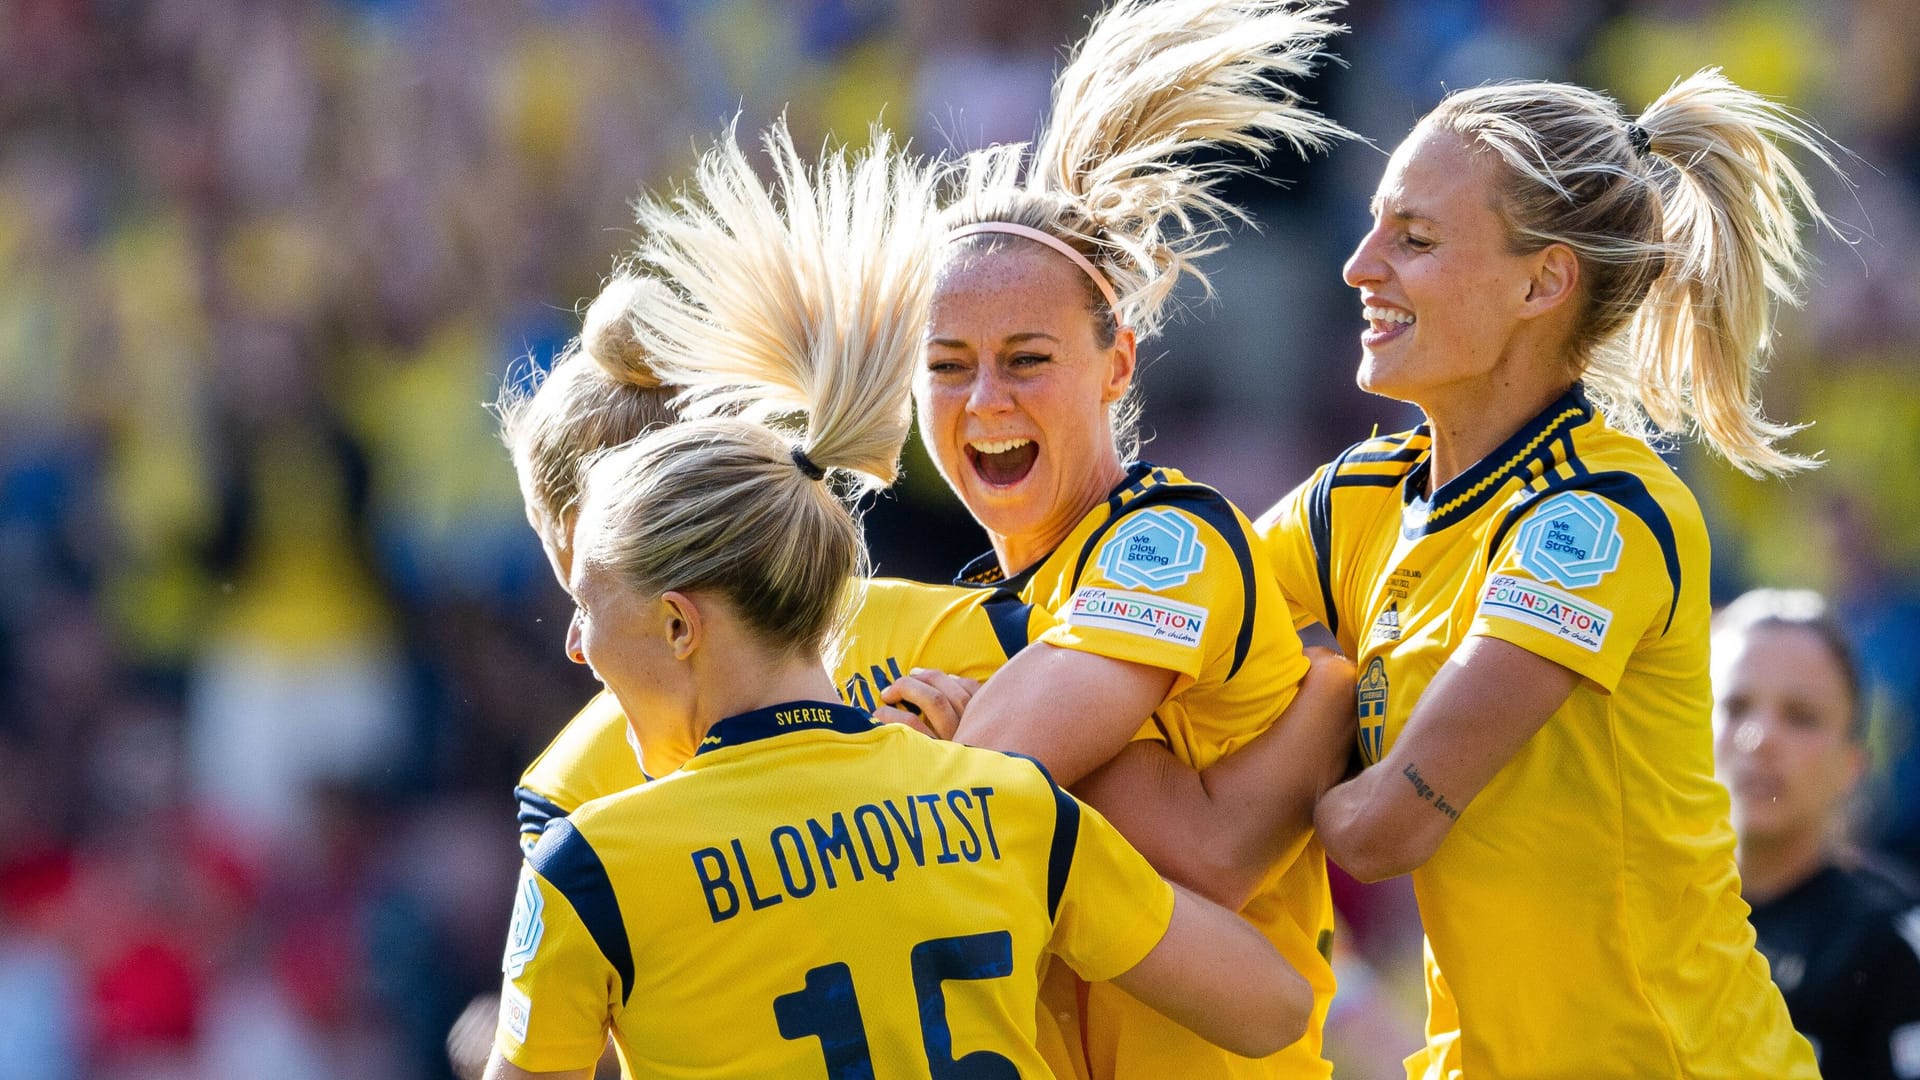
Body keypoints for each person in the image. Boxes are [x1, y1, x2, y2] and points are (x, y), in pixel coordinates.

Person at [483, 121, 1312, 1080]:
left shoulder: (581, 815)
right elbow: (1259, 971)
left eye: (584, 590)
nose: (578, 643)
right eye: (948, 363)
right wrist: (1327, 693)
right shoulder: (980, 672)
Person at [1255, 71, 1840, 1076]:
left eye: (1416, 239)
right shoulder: (1359, 499)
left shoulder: (1597, 520)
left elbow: (1382, 831)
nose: (1359, 267)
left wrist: (1273, 760)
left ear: (1542, 283)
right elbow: (1164, 621)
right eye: (1372, 227)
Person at [898, 2, 1357, 1076]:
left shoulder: (1168, 538)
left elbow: (997, 778)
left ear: (1117, 367)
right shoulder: (954, 608)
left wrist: (969, 741)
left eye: (1027, 358)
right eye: (948, 364)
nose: (985, 400)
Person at [1713, 588, 1920, 1080]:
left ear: (1852, 764)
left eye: (1801, 716)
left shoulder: (1889, 944)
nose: (1760, 738)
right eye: (1736, 706)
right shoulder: (1636, 914)